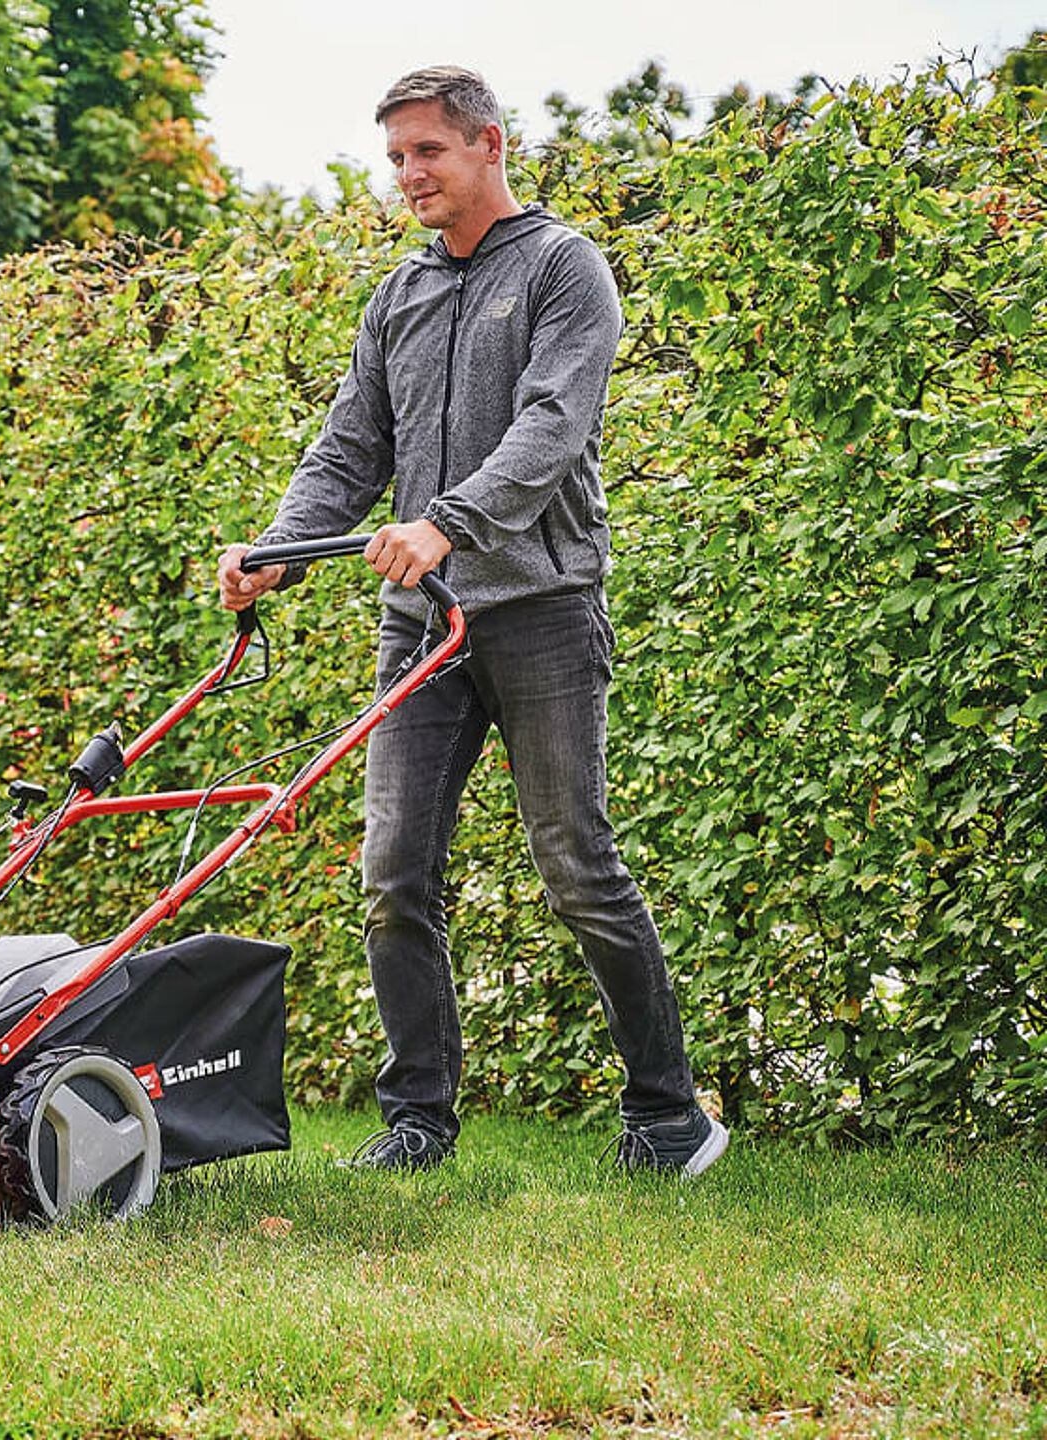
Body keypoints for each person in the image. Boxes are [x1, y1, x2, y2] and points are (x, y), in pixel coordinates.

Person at [217, 66, 727, 1177]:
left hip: (540, 612)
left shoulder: (562, 268)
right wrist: (276, 555)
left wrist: (446, 522)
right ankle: (417, 1124)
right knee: (393, 872)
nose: (407, 176)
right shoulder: (399, 296)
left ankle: (669, 1117)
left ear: (487, 144)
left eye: (427, 153)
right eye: (395, 156)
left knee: (576, 864)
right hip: (421, 628)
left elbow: (551, 429)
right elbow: (351, 447)